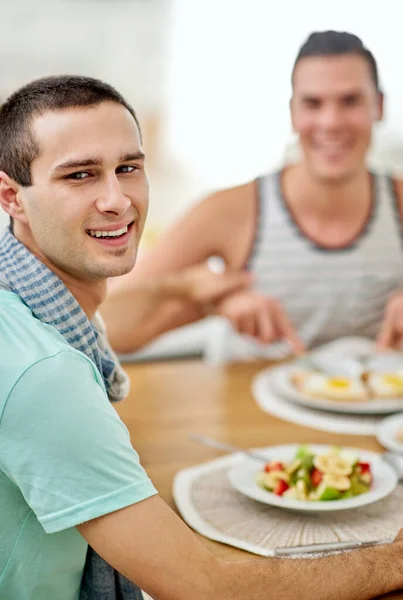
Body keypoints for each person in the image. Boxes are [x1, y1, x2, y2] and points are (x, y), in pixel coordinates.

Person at [1, 75, 403, 600]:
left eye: (128, 168)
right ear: (12, 196)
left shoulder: (30, 306)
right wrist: (393, 560)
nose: (116, 200)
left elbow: (108, 327)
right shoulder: (45, 375)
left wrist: (198, 292)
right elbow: (206, 588)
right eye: (80, 175)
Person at [102, 30, 403, 358]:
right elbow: (104, 324)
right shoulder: (230, 211)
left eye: (350, 101)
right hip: (251, 406)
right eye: (313, 103)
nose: (330, 121)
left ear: (380, 106)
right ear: (293, 113)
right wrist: (205, 298)